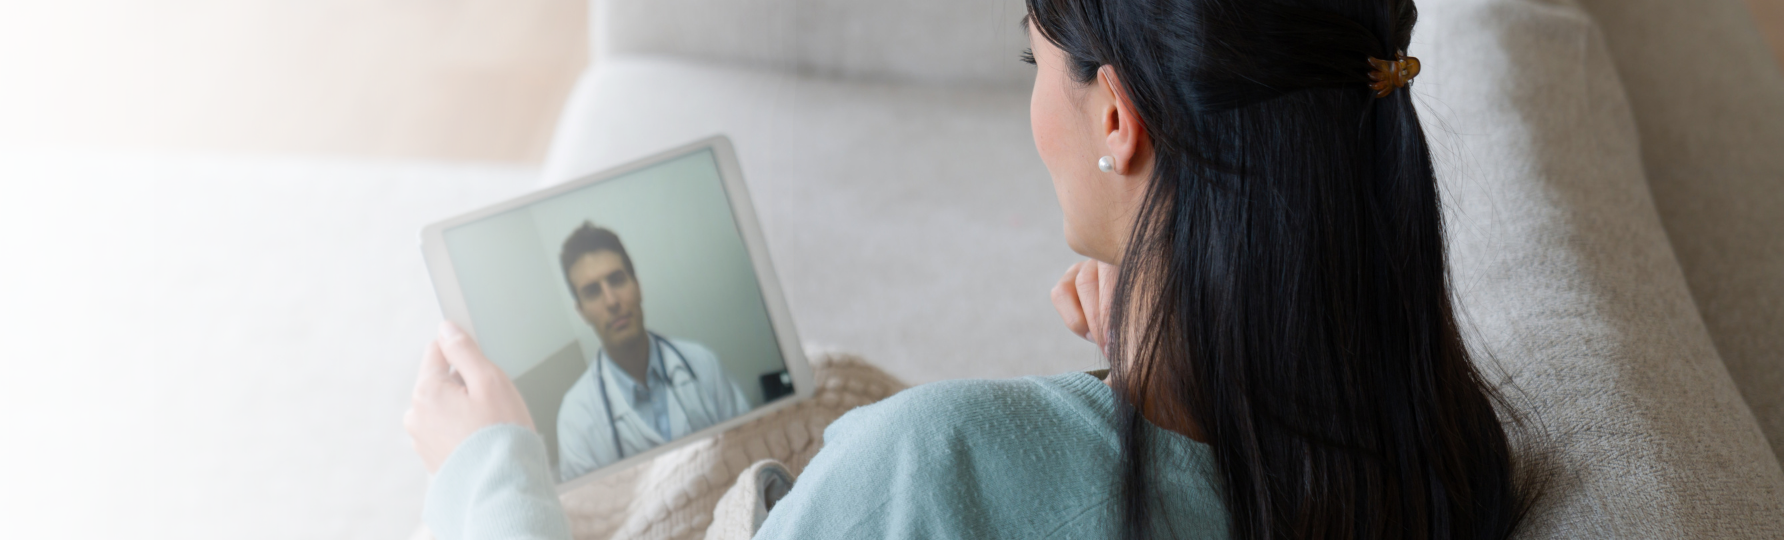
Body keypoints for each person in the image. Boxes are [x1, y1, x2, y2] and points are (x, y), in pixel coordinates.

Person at [403, 0, 1532, 537]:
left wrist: (486, 471)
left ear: (1119, 121)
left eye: (1032, 62)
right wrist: (1157, 364)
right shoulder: (1440, 453)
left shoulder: (937, 464)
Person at [551, 222, 751, 481]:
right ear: (582, 312)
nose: (611, 301)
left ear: (638, 285)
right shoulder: (576, 418)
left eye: (617, 280)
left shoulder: (702, 363)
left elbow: (753, 447)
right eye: (592, 292)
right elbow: (595, 518)